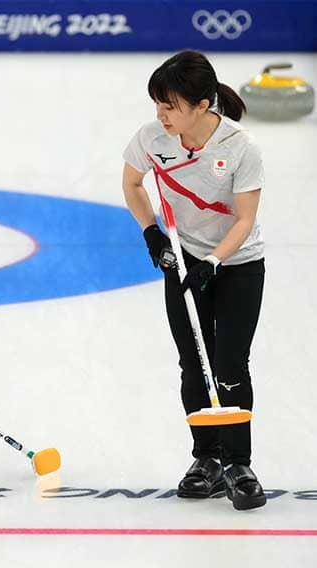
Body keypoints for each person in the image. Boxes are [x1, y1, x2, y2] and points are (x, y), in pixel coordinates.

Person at [122, 50, 266, 510]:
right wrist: (151, 234)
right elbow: (132, 184)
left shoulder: (240, 147)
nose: (160, 115)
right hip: (183, 261)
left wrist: (214, 263)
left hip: (238, 264)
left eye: (170, 106)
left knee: (229, 364)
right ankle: (205, 459)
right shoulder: (152, 139)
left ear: (202, 106)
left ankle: (238, 463)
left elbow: (244, 220)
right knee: (193, 362)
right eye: (157, 106)